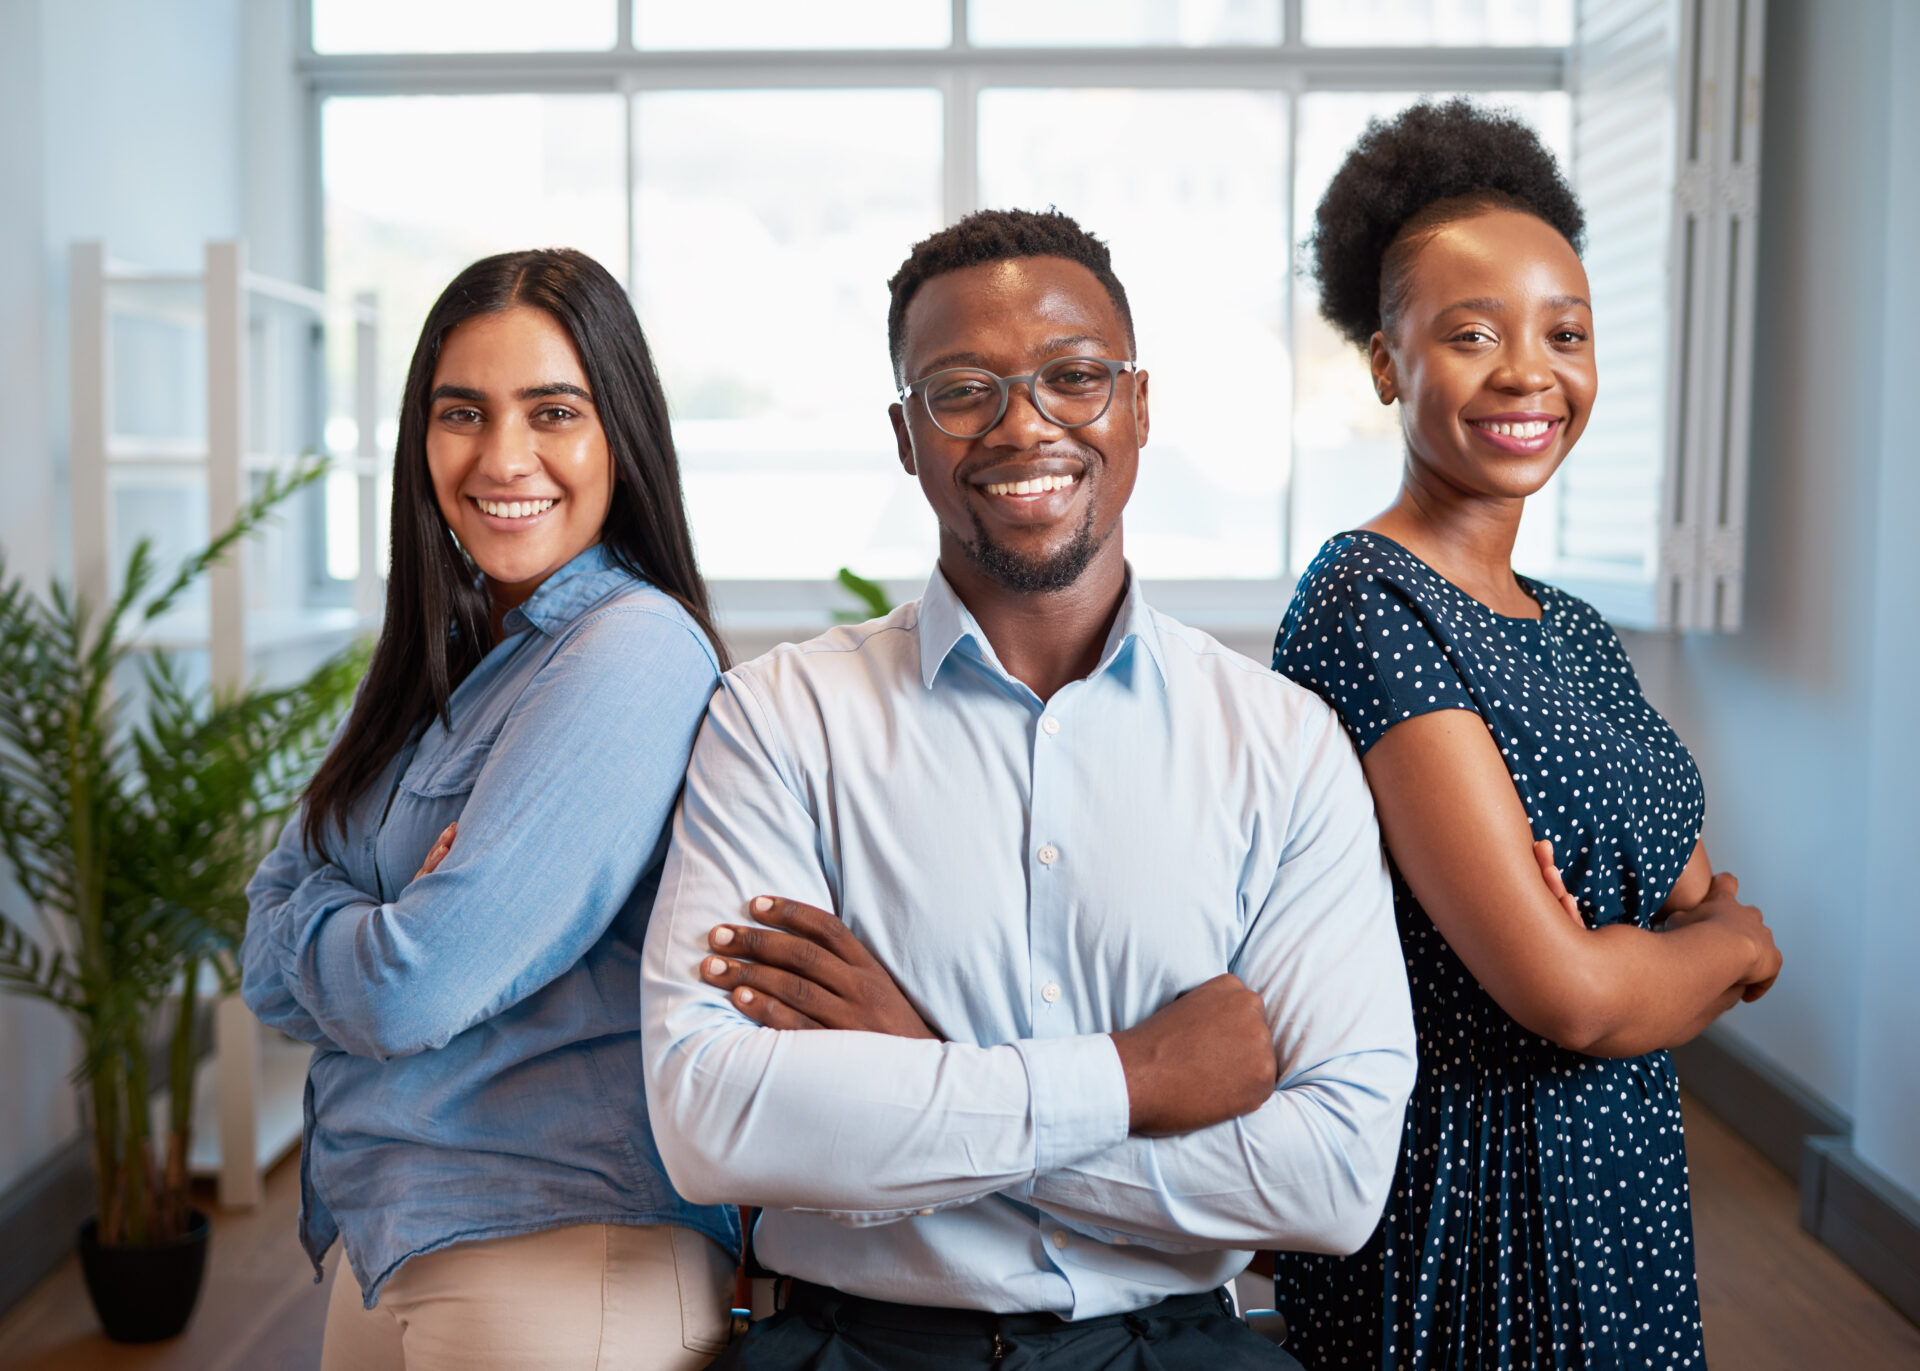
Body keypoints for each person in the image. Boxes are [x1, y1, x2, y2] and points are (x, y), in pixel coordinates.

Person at [639, 208, 1418, 1371]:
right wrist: (1141, 1078)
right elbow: (714, 1119)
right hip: (856, 1348)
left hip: (1178, 1346)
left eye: (1074, 376)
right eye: (962, 391)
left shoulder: (1282, 743)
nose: (1024, 424)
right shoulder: (780, 720)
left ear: (1139, 408)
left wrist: (921, 1062)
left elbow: (1334, 1180)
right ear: (908, 436)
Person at [1267, 101, 1783, 1369]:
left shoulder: (1570, 626)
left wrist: (1664, 943)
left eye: (1566, 334)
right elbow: (1572, 993)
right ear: (1387, 361)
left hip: (1622, 1177)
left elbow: (1674, 893)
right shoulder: (1365, 601)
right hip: (1472, 1200)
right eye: (1470, 334)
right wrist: (1716, 948)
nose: (1528, 373)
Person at [240, 248, 740, 1371]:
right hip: (398, 1231)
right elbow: (259, 945)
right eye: (462, 413)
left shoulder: (632, 651)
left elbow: (414, 986)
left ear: (623, 435)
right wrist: (360, 923)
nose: (502, 456)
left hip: (564, 1256)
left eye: (551, 411)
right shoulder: (451, 668)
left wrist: (341, 918)